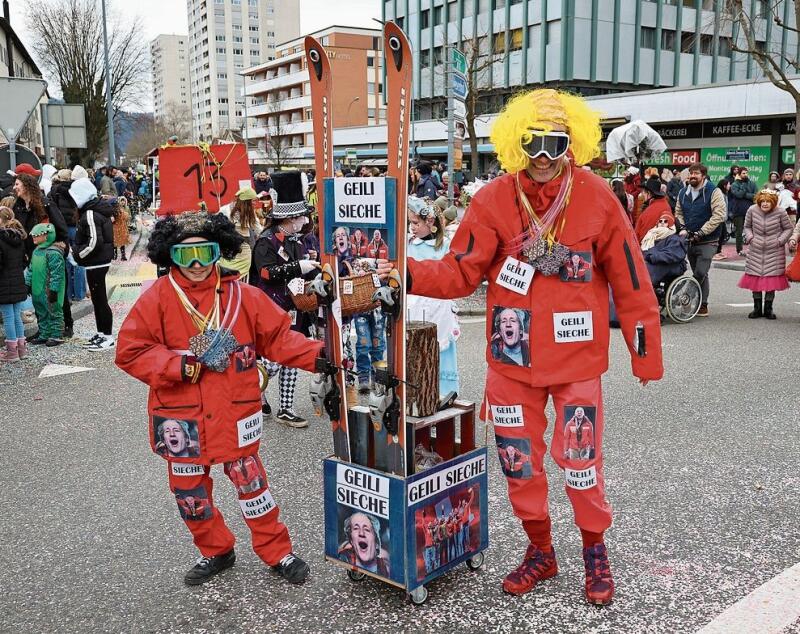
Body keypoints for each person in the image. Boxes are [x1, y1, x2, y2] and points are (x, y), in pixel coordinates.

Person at [403, 88, 663, 605]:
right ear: (516, 143)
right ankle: (541, 551)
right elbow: (461, 270)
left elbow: (631, 277)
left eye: (555, 142)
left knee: (581, 461)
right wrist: (404, 273)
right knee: (518, 461)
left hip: (577, 360)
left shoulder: (597, 196)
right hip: (511, 360)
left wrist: (645, 352)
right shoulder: (493, 198)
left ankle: (594, 551)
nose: (543, 156)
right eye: (532, 142)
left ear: (572, 143)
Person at [116, 212, 320, 587]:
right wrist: (179, 365)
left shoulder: (244, 297)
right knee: (190, 497)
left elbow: (279, 338)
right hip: (182, 421)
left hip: (233, 412)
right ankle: (215, 550)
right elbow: (130, 351)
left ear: (219, 252)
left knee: (253, 488)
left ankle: (277, 551)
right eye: (184, 256)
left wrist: (319, 355)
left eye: (205, 253)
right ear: (168, 256)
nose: (196, 265)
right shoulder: (157, 299)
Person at [252, 171, 321, 427]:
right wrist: (297, 267)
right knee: (271, 363)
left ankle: (286, 408)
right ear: (288, 219)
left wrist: (313, 264)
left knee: (291, 357)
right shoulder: (265, 241)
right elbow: (266, 273)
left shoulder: (297, 240)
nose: (304, 220)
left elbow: (305, 268)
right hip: (271, 310)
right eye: (300, 217)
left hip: (295, 308)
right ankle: (252, 390)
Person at [407, 196, 460, 396]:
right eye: (411, 223)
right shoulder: (409, 244)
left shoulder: (446, 245)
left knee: (441, 349)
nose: (412, 227)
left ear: (430, 222)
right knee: (416, 350)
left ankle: (445, 394)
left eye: (415, 223)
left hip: (439, 306)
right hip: (414, 306)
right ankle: (418, 395)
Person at [674, 163, 727, 317]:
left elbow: (719, 215)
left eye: (696, 173)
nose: (692, 176)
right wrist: (682, 227)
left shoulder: (713, 191)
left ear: (703, 175)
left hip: (709, 239)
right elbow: (678, 212)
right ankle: (702, 305)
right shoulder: (683, 192)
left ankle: (684, 298)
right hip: (690, 238)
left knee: (700, 272)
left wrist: (702, 231)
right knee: (701, 273)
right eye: (691, 173)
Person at [71, 177, 116, 351]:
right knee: (98, 299)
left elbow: (94, 242)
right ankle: (102, 333)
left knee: (100, 300)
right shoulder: (96, 209)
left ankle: (107, 336)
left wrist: (77, 255)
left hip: (96, 262)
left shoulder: (90, 213)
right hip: (99, 261)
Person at [738, 189, 792, 319]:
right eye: (763, 201)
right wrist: (751, 238)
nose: (765, 204)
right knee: (755, 278)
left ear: (773, 202)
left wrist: (780, 241)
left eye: (768, 201)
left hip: (774, 250)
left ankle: (768, 308)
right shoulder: (752, 209)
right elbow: (747, 226)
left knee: (771, 280)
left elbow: (788, 228)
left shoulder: (780, 211)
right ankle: (757, 308)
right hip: (755, 249)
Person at [25, 223, 65, 346]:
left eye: (38, 235)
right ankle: (44, 333)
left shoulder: (53, 253)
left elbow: (56, 273)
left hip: (49, 290)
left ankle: (56, 335)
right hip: (37, 289)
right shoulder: (37, 251)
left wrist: (53, 290)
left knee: (54, 311)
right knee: (41, 312)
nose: (34, 238)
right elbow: (31, 269)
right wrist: (27, 284)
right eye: (33, 235)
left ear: (47, 236)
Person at [0, 205, 28, 361]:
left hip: (3, 283)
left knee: (8, 317)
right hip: (18, 281)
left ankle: (11, 352)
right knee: (16, 316)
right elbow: (23, 261)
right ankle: (21, 349)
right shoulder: (18, 238)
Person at [220, 186, 262, 281]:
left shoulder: (250, 213)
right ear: (246, 201)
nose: (255, 203)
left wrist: (265, 237)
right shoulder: (225, 210)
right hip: (228, 250)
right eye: (253, 201)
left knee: (242, 279)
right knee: (226, 275)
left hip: (244, 251)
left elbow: (258, 228)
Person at [337, 511, 390, 576]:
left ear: (376, 542)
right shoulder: (343, 557)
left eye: (367, 529)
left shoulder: (383, 568)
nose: (361, 533)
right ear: (351, 541)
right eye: (356, 528)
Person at [729, 166, 757, 256]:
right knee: (739, 231)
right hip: (738, 210)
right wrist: (743, 186)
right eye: (743, 173)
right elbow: (738, 195)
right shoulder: (735, 184)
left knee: (753, 230)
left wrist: (745, 195)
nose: (745, 175)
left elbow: (755, 196)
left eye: (746, 173)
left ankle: (753, 249)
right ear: (739, 175)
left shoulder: (752, 183)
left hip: (750, 210)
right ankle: (739, 250)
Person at [712, 179, 732, 261]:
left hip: (723, 218)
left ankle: (718, 251)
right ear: (724, 185)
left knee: (723, 235)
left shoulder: (725, 194)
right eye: (728, 184)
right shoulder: (719, 194)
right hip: (719, 218)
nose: (729, 186)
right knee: (719, 235)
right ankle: (715, 253)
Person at [112, 197, 131, 261]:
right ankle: (122, 256)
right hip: (121, 228)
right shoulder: (121, 211)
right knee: (121, 243)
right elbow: (126, 217)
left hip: (116, 228)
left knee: (115, 243)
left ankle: (115, 256)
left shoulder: (112, 210)